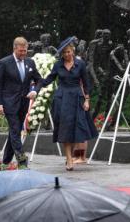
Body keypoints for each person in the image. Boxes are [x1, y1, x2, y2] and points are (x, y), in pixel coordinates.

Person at [37, 37, 98, 171]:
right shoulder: (58, 65)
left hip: (77, 97)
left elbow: (86, 83)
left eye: (69, 52)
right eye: (64, 53)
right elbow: (49, 79)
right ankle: (69, 158)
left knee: (77, 128)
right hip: (62, 98)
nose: (67, 54)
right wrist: (37, 83)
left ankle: (73, 155)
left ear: (73, 51)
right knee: (65, 128)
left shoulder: (80, 64)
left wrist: (87, 99)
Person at [0, 37, 43, 166]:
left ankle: (6, 160)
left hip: (24, 103)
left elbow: (39, 80)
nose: (23, 53)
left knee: (14, 131)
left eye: (25, 51)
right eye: (21, 51)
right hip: (9, 103)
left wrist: (35, 91)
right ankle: (21, 160)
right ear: (14, 48)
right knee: (15, 129)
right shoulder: (4, 63)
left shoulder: (30, 62)